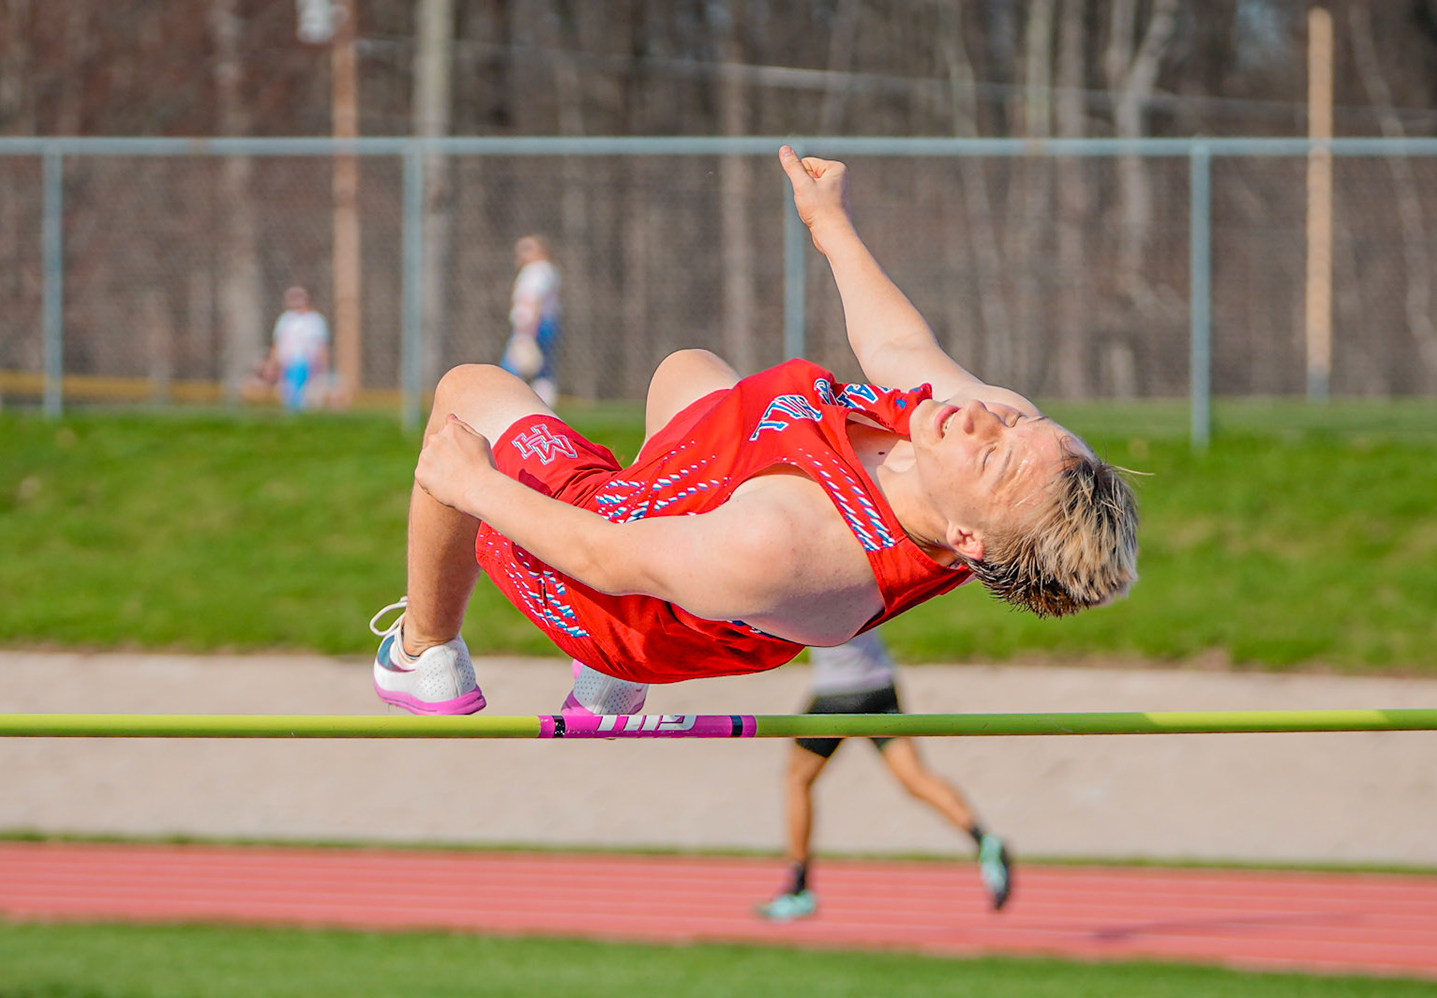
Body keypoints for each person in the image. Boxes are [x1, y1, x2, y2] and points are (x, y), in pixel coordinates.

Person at [370, 146, 1137, 721]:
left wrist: (474, 487)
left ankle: (426, 654)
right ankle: (630, 621)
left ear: (967, 539)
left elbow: (602, 556)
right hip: (695, 528)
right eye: (1019, 419)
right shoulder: (976, 437)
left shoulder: (788, 546)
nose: (982, 415)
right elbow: (900, 348)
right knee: (689, 371)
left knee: (466, 397)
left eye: (993, 454)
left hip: (612, 592)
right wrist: (830, 225)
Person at [758, 627, 1012, 921]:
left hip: (837, 692)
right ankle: (984, 840)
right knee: (914, 777)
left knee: (797, 780)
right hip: (879, 686)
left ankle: (799, 886)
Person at [499, 235, 561, 408]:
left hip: (533, 324)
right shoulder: (548, 270)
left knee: (512, 366)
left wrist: (526, 330)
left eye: (527, 249)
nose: (521, 254)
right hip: (544, 323)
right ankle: (543, 404)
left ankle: (507, 400)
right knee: (543, 367)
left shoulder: (537, 271)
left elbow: (533, 300)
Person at [266, 285, 330, 412]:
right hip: (286, 362)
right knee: (287, 389)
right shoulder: (286, 319)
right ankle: (292, 410)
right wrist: (272, 363)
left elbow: (321, 345)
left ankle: (298, 410)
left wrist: (324, 365)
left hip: (307, 362)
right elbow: (278, 343)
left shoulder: (314, 320)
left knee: (302, 390)